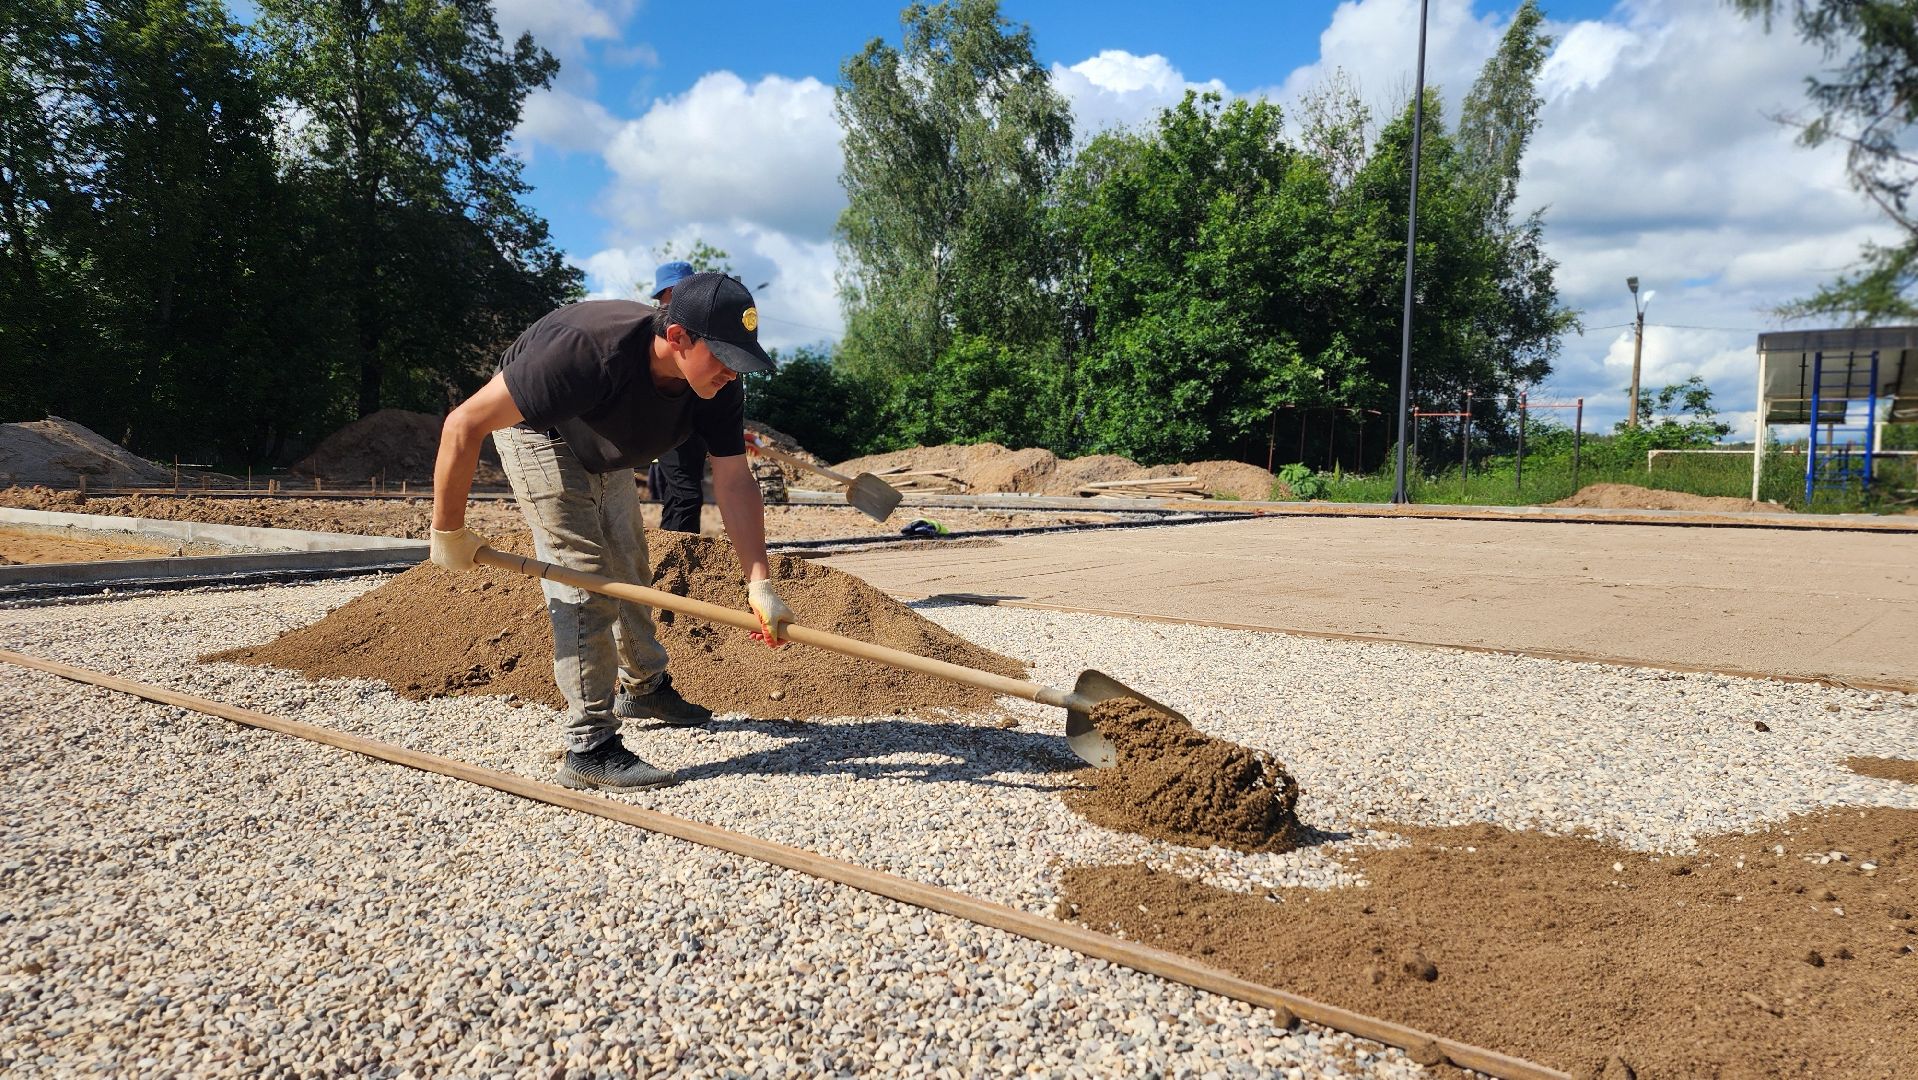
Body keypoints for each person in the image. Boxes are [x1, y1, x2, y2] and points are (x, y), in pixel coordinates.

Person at [428, 272, 796, 792]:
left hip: (602, 439)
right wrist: (448, 531)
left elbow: (734, 480)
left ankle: (644, 686)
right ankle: (589, 746)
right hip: (538, 431)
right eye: (723, 358)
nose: (732, 373)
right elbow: (463, 423)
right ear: (677, 338)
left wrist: (759, 581)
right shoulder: (585, 352)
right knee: (585, 580)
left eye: (740, 360)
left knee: (630, 566)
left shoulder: (718, 384)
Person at [644, 260, 706, 533]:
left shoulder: (696, 326)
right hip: (669, 421)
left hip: (692, 422)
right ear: (669, 292)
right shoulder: (654, 330)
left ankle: (673, 545)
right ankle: (680, 552)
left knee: (679, 494)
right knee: (686, 495)